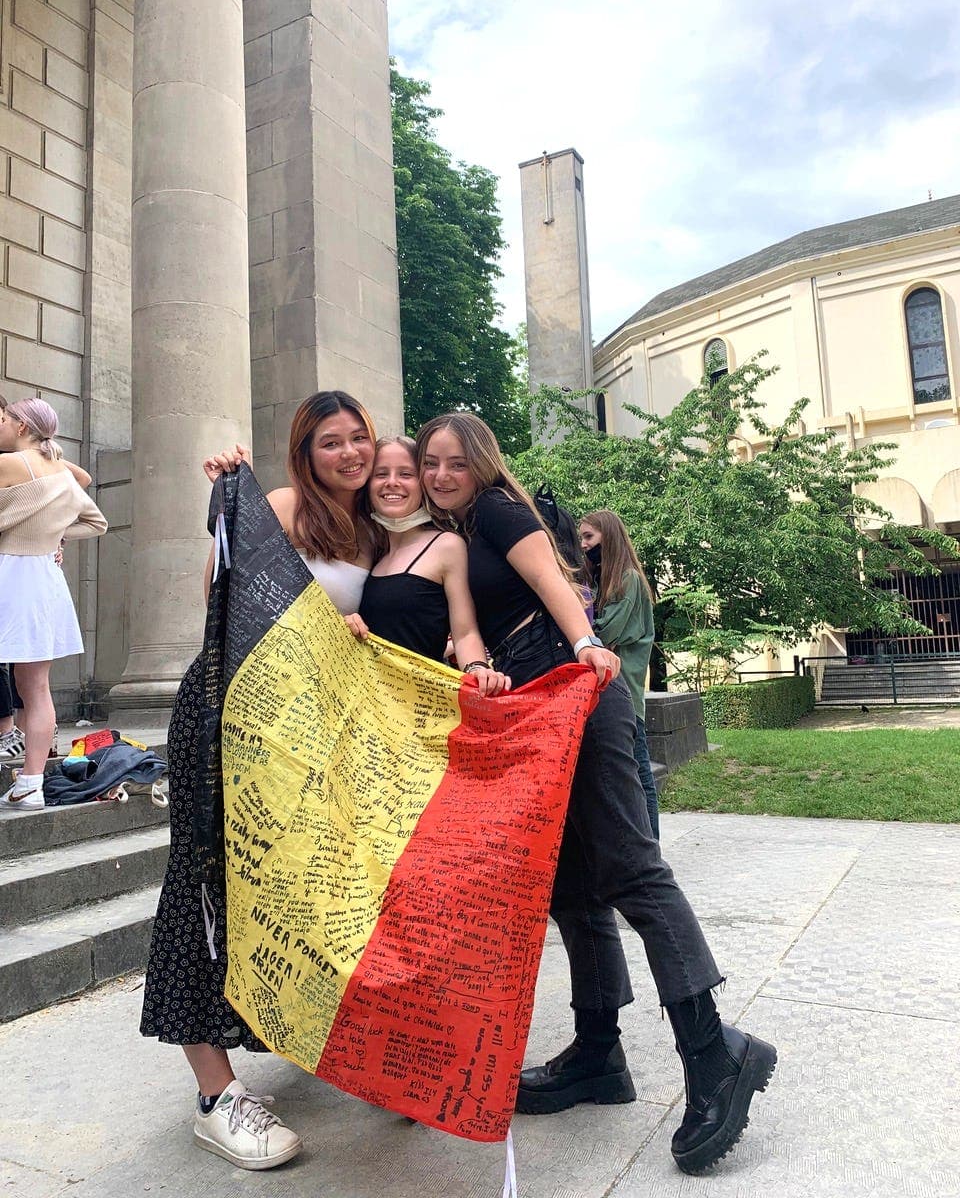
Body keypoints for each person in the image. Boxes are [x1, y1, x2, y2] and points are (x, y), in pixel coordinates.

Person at [142, 397, 506, 1172]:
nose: (347, 454)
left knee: (316, 891)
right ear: (303, 453)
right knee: (207, 887)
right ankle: (216, 1096)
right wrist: (229, 498)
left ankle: (339, 1044)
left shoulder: (375, 533)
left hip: (311, 736)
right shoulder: (277, 506)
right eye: (328, 442)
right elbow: (222, 599)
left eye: (358, 440)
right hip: (229, 716)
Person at [415, 412, 776, 1176]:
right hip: (541, 711)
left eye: (453, 462)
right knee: (575, 889)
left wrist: (587, 646)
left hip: (583, 691)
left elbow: (555, 586)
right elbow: (479, 623)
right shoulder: (461, 535)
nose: (440, 474)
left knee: (631, 872)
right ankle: (599, 1054)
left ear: (480, 463)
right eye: (429, 464)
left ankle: (714, 1053)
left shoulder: (503, 512)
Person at [0, 399, 107, 811]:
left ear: (23, 426)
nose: (2, 425)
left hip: (11, 574)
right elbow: (97, 521)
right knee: (36, 687)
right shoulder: (60, 473)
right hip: (45, 577)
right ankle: (31, 783)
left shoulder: (13, 464)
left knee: (27, 685)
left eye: (6, 420)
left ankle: (28, 782)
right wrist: (58, 535)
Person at [344, 436, 509, 697]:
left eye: (406, 473)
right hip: (367, 708)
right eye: (381, 473)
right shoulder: (368, 549)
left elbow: (464, 632)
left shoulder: (446, 545)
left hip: (422, 708)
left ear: (422, 483)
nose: (392, 482)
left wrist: (477, 669)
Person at [579, 510, 659, 838]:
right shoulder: (602, 582)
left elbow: (605, 631)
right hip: (613, 691)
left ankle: (651, 846)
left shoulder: (628, 580)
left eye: (589, 537)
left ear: (607, 538)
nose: (583, 545)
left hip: (626, 694)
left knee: (640, 776)